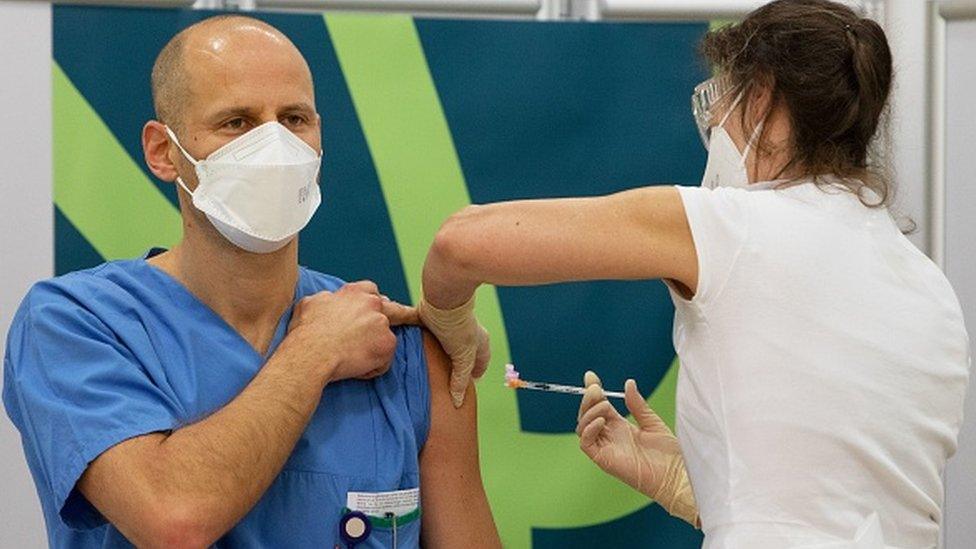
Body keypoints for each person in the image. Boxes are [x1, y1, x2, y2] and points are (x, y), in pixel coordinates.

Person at [416, 1, 971, 547]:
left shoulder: (734, 226)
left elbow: (460, 243)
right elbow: (832, 500)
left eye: (718, 98)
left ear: (760, 97)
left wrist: (453, 323)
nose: (713, 122)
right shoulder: (932, 290)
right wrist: (690, 485)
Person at [2, 15, 500, 548]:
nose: (274, 147)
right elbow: (173, 518)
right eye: (237, 122)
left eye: (294, 118)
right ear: (163, 152)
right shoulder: (75, 325)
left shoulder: (402, 354)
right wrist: (314, 351)